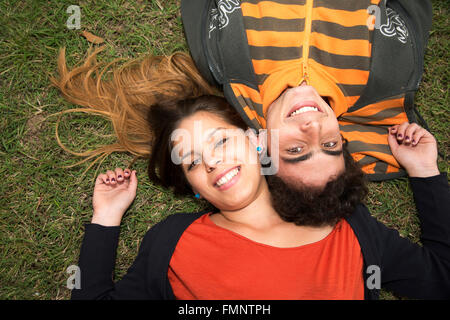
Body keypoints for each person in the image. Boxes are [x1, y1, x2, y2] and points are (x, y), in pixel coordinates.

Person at [71, 95, 450, 300]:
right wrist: (106, 217)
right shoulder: (172, 242)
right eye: (191, 162)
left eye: (221, 141)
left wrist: (424, 172)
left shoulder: (346, 224)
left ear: (256, 143)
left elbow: (441, 279)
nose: (213, 162)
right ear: (192, 186)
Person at [181, 0, 434, 188]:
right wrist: (425, 170)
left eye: (295, 149)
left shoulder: (224, 63)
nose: (314, 127)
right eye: (330, 144)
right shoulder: (388, 74)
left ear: (262, 146)